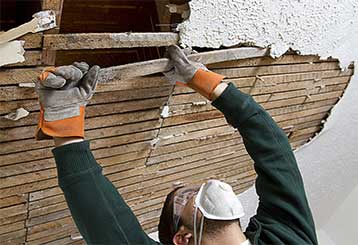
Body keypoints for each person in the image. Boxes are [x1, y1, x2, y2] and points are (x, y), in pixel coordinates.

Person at [35, 45, 317, 245]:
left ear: (183, 239)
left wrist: (66, 123)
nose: (204, 185)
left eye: (186, 199)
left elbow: (107, 223)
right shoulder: (287, 237)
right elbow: (277, 156)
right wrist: (209, 84)